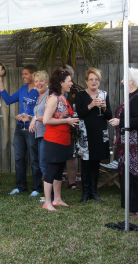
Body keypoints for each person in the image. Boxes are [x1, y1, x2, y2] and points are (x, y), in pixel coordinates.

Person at [109, 68, 138, 218]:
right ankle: (129, 204)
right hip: (127, 142)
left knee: (137, 172)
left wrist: (120, 122)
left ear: (132, 81)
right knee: (126, 171)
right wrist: (119, 134)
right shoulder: (130, 97)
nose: (121, 81)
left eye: (124, 78)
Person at [0, 64, 42, 196]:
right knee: (19, 158)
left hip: (33, 128)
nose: (23, 76)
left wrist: (30, 117)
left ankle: (37, 188)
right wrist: (0, 84)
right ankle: (21, 187)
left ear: (33, 74)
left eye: (26, 74)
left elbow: (44, 111)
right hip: (19, 127)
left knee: (34, 159)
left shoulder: (40, 91)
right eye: (23, 74)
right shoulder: (23, 89)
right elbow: (9, 100)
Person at [42, 69, 79, 211]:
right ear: (61, 82)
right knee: (51, 170)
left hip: (64, 139)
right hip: (54, 139)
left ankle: (57, 199)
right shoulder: (53, 98)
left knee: (59, 170)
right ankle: (47, 202)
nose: (71, 83)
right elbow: (46, 120)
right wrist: (67, 121)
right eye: (69, 81)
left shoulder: (64, 97)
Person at [75, 68, 112, 203]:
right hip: (85, 133)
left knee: (96, 164)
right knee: (85, 164)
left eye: (96, 79)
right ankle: (85, 194)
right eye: (91, 79)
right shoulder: (80, 95)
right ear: (86, 81)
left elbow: (109, 116)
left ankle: (94, 193)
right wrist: (91, 105)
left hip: (99, 133)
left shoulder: (104, 94)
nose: (94, 81)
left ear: (99, 81)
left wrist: (103, 108)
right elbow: (79, 113)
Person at [60, 64, 84, 190]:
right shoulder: (53, 91)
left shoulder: (78, 90)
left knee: (72, 154)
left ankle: (72, 182)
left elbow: (82, 109)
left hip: (73, 127)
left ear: (72, 75)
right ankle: (55, 180)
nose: (63, 74)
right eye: (61, 72)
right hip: (57, 126)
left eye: (66, 72)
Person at [29, 71, 49, 178]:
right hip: (40, 134)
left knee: (44, 165)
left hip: (47, 134)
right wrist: (31, 118)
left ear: (47, 82)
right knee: (43, 165)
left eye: (41, 80)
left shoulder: (48, 95)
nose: (38, 83)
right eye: (36, 81)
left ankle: (49, 194)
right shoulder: (39, 96)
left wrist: (35, 118)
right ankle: (47, 193)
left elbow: (48, 116)